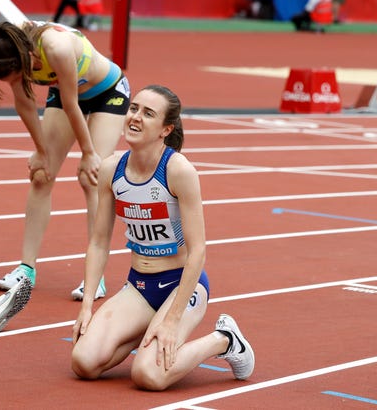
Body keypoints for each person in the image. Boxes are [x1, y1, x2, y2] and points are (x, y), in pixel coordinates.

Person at [71, 85, 255, 390]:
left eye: (148, 113)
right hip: (139, 287)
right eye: (133, 108)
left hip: (183, 285)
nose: (136, 117)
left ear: (165, 129)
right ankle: (145, 332)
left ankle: (225, 340)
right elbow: (99, 242)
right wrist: (87, 305)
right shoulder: (110, 169)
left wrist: (172, 319)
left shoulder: (178, 171)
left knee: (148, 376)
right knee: (84, 362)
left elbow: (197, 251)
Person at [0, 20, 130, 300]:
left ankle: (94, 277)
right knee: (41, 174)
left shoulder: (55, 47)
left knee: (91, 178)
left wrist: (88, 154)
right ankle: (26, 269)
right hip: (65, 95)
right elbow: (24, 103)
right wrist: (40, 151)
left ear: (26, 57)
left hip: (107, 93)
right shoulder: (8, 49)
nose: (16, 83)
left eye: (17, 76)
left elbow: (73, 103)